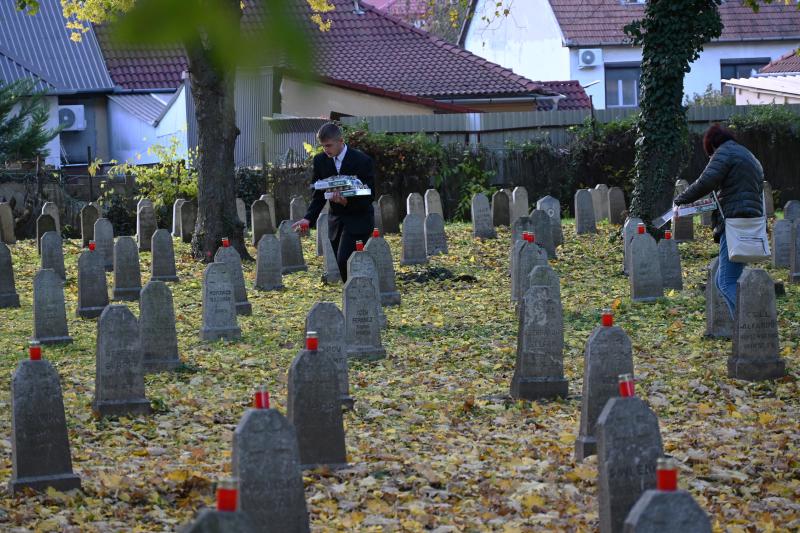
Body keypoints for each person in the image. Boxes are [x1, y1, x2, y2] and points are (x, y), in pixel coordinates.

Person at [673, 124, 764, 318]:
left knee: (726, 282)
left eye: (709, 155)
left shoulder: (724, 153)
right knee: (722, 280)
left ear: (712, 145)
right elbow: (739, 190)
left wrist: (680, 200)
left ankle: (753, 323)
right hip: (750, 221)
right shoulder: (748, 155)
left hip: (734, 223)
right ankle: (741, 332)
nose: (710, 158)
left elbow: (705, 181)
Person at [292, 122, 375, 281]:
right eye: (323, 146)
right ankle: (354, 296)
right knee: (342, 264)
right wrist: (308, 218)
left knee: (346, 260)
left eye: (328, 145)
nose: (326, 149)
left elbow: (370, 195)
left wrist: (347, 202)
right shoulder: (320, 160)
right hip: (336, 222)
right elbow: (318, 194)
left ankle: (362, 294)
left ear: (341, 141)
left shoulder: (362, 160)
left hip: (359, 220)